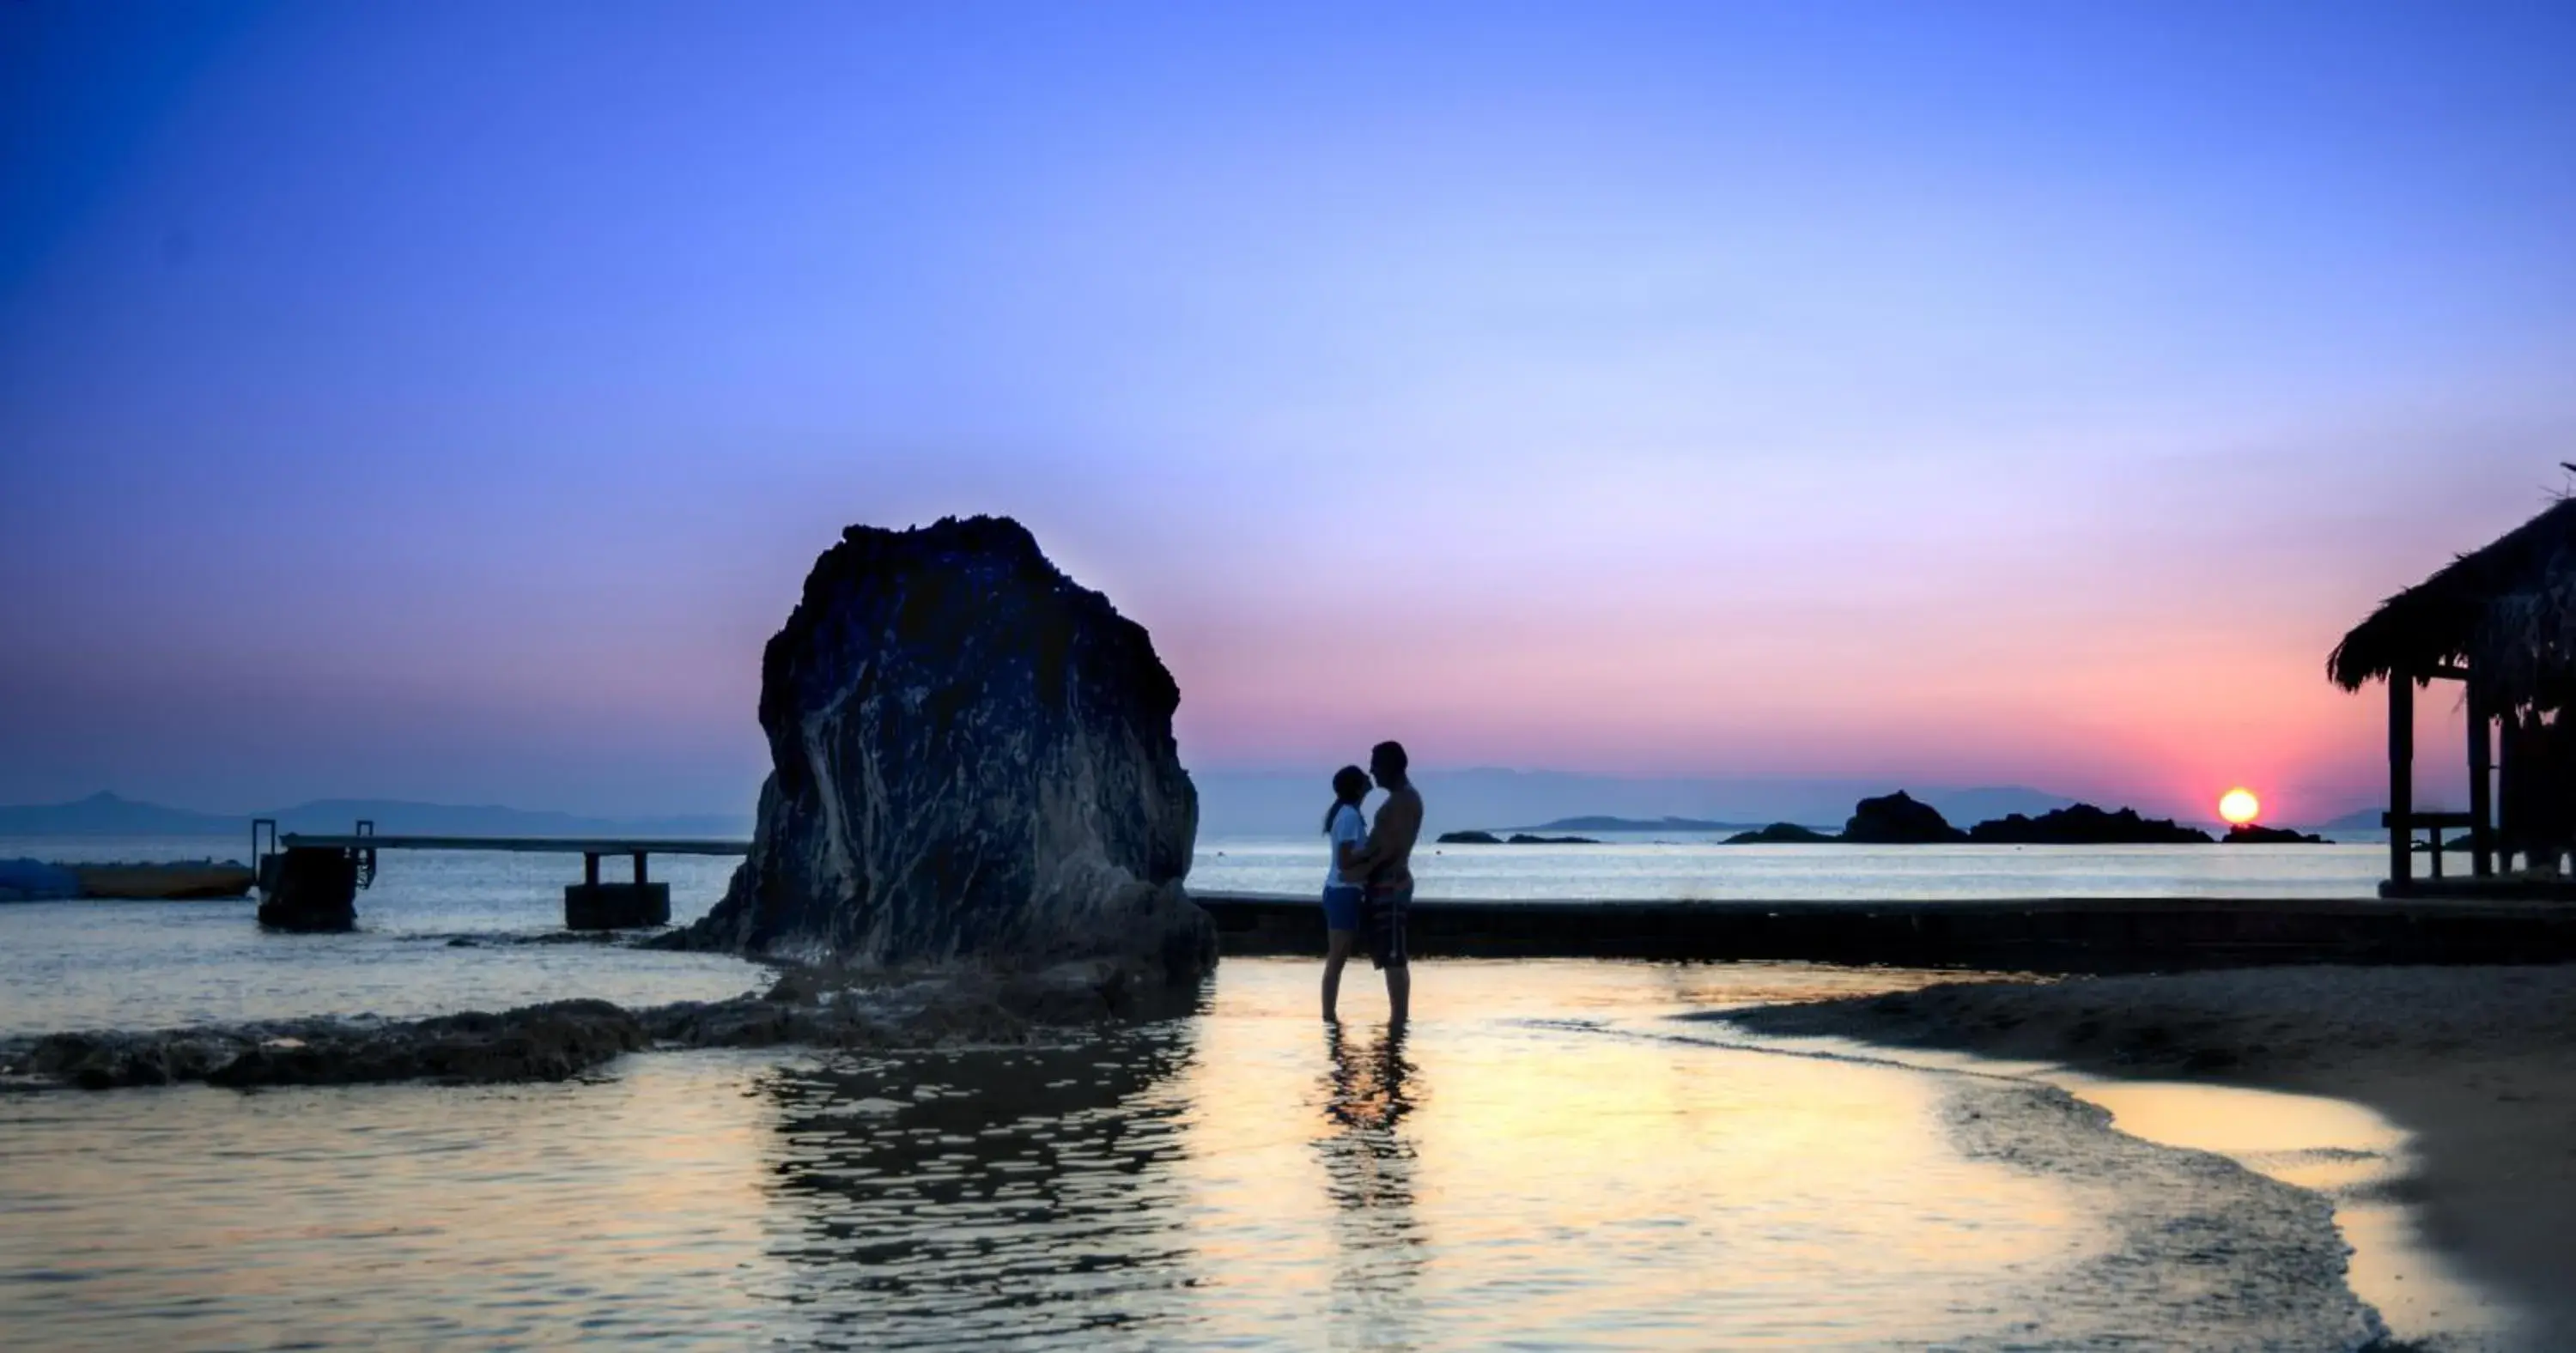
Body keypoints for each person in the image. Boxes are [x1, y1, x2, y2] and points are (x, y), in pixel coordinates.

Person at [1334, 740, 1423, 1027]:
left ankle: (1399, 1021)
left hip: (1392, 885)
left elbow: (1386, 849)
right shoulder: (1404, 800)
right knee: (1390, 954)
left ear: (1389, 766)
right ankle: (1397, 1021)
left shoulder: (1401, 802)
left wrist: (1354, 866)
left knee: (1394, 955)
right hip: (1389, 883)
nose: (1371, 771)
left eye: (1375, 765)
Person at [1320, 764, 1371, 1022]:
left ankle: (1330, 1018)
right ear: (1358, 786)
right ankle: (1329, 1017)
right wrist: (1374, 853)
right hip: (1343, 892)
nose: (1369, 779)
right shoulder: (1349, 816)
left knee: (1337, 959)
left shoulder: (1347, 814)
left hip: (1341, 892)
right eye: (1364, 778)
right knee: (1336, 959)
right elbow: (1345, 859)